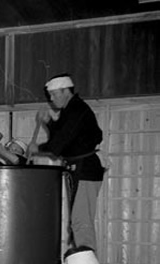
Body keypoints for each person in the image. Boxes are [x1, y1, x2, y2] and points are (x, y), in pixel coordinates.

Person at [28, 74, 104, 250]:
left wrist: (37, 149)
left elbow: (58, 145)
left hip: (85, 168)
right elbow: (62, 138)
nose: (52, 99)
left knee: (81, 220)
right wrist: (49, 122)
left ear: (65, 91)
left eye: (54, 95)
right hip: (77, 168)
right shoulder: (70, 111)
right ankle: (83, 262)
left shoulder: (77, 109)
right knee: (78, 220)